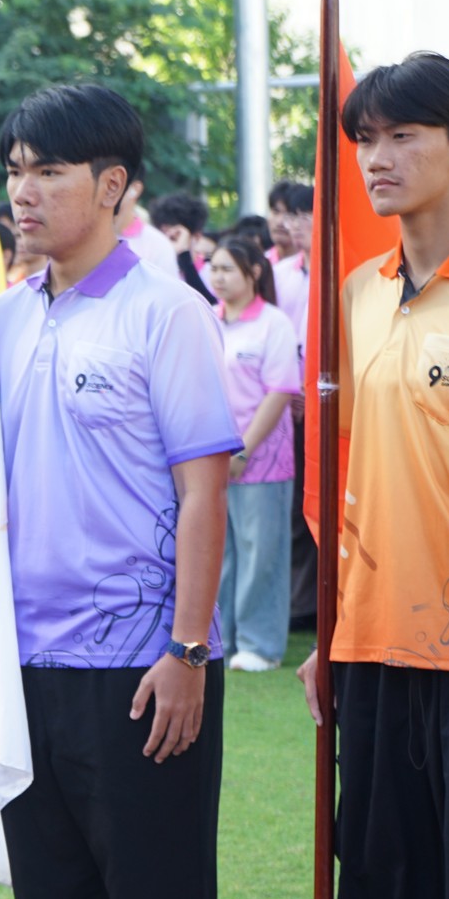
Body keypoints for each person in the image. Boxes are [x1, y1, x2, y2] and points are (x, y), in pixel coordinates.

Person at [0, 84, 236, 899]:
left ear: (113, 184)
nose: (23, 191)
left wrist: (186, 648)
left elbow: (203, 490)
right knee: (55, 896)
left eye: (48, 170)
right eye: (14, 170)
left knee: (154, 897)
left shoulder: (165, 311)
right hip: (23, 660)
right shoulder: (3, 317)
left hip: (140, 661)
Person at [296, 51, 449, 899]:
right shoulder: (357, 295)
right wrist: (328, 631)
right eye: (365, 136)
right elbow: (343, 475)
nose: (376, 156)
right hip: (371, 651)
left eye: (404, 134)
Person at [206, 236, 298, 673]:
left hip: (262, 458)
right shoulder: (207, 319)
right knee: (218, 551)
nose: (218, 277)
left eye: (227, 269)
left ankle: (260, 644)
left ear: (254, 273)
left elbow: (280, 391)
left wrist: (243, 449)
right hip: (212, 457)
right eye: (213, 268)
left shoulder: (273, 324)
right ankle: (221, 639)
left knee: (262, 553)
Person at [265, 179, 318, 631]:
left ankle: (317, 599)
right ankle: (297, 601)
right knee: (292, 502)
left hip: (325, 399)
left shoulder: (341, 268)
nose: (294, 225)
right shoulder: (280, 274)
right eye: (290, 216)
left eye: (304, 216)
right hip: (286, 402)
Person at [149, 191, 218, 305]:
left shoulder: (213, 272)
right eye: (162, 236)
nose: (167, 244)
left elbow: (210, 307)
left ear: (196, 236)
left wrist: (183, 254)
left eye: (174, 237)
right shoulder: (152, 270)